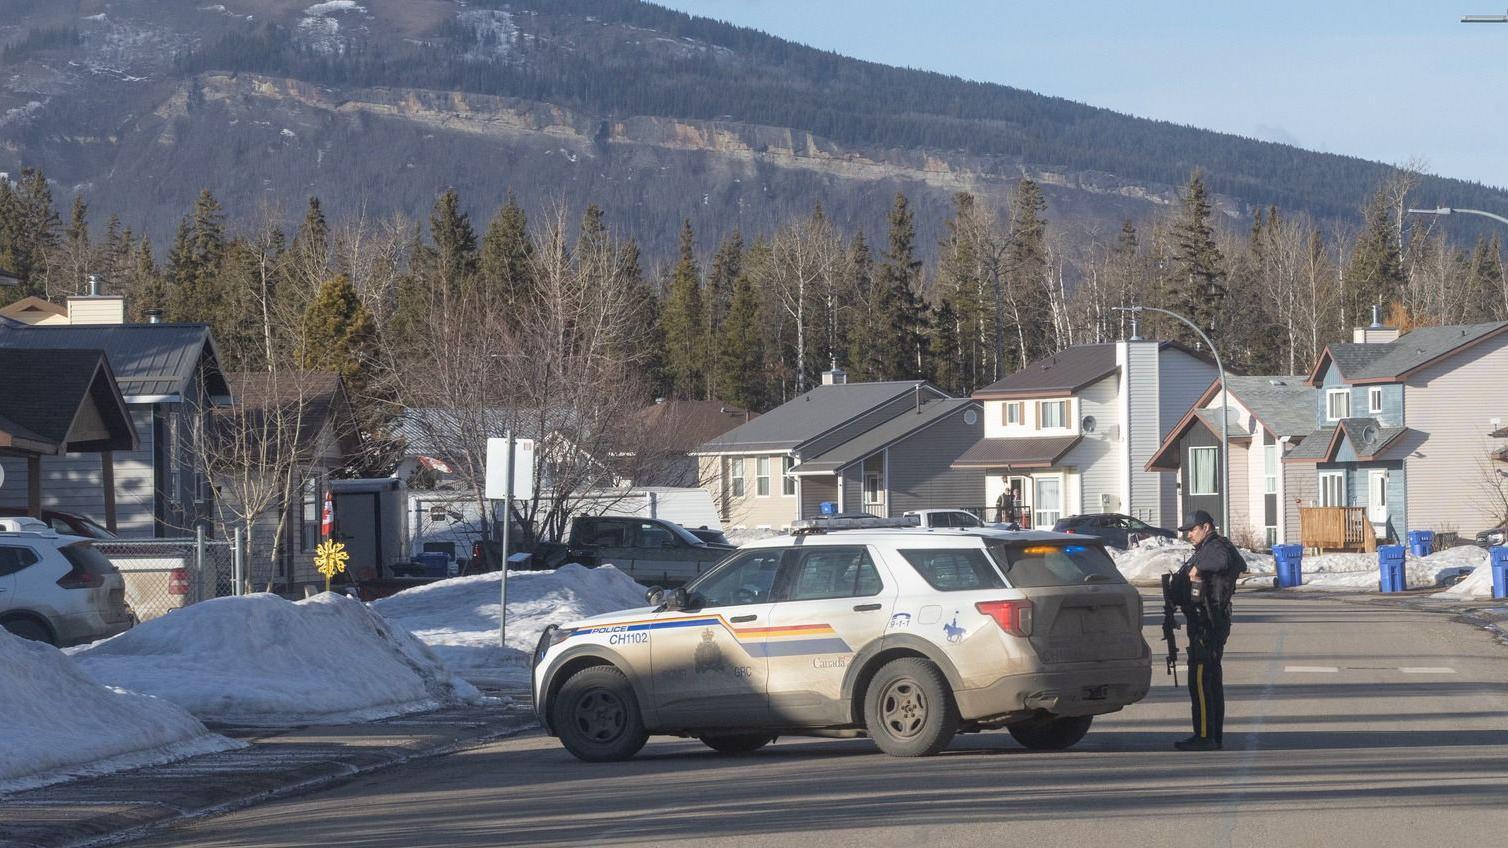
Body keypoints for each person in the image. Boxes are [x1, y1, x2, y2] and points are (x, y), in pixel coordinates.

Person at [1172, 509, 1244, 752]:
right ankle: (1211, 734)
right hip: (1206, 623)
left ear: (1206, 527)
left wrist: (1199, 567)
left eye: (1192, 530)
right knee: (1209, 681)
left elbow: (1227, 562)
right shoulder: (1208, 547)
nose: (1189, 535)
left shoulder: (1216, 546)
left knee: (1201, 681)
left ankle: (1205, 736)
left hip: (1208, 623)